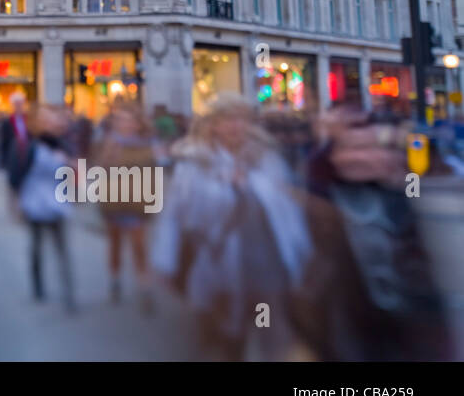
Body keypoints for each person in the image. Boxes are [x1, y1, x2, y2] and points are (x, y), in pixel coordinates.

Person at [152, 96, 312, 360]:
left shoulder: (266, 157)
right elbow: (174, 215)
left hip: (267, 264)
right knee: (229, 332)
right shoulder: (195, 162)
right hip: (220, 262)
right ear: (212, 125)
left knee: (269, 326)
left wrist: (301, 250)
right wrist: (165, 259)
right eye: (226, 119)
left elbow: (287, 211)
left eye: (241, 118)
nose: (235, 125)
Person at [292, 107, 454, 360]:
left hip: (406, 318)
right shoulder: (324, 190)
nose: (363, 158)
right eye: (353, 150)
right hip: (352, 316)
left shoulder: (402, 197)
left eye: (373, 149)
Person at [95, 103, 157, 311]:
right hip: (115, 200)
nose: (126, 124)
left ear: (138, 124)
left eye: (130, 120)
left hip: (138, 201)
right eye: (121, 120)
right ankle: (115, 279)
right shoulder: (110, 142)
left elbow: (155, 170)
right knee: (115, 244)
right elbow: (101, 170)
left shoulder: (148, 143)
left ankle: (145, 286)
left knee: (139, 245)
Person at [18, 105, 76, 312]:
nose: (51, 124)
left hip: (58, 203)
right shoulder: (30, 146)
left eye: (53, 120)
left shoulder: (65, 145)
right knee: (37, 246)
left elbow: (75, 172)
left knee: (62, 249)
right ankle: (38, 285)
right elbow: (19, 174)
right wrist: (17, 202)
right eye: (46, 120)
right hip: (35, 202)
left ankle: (69, 294)